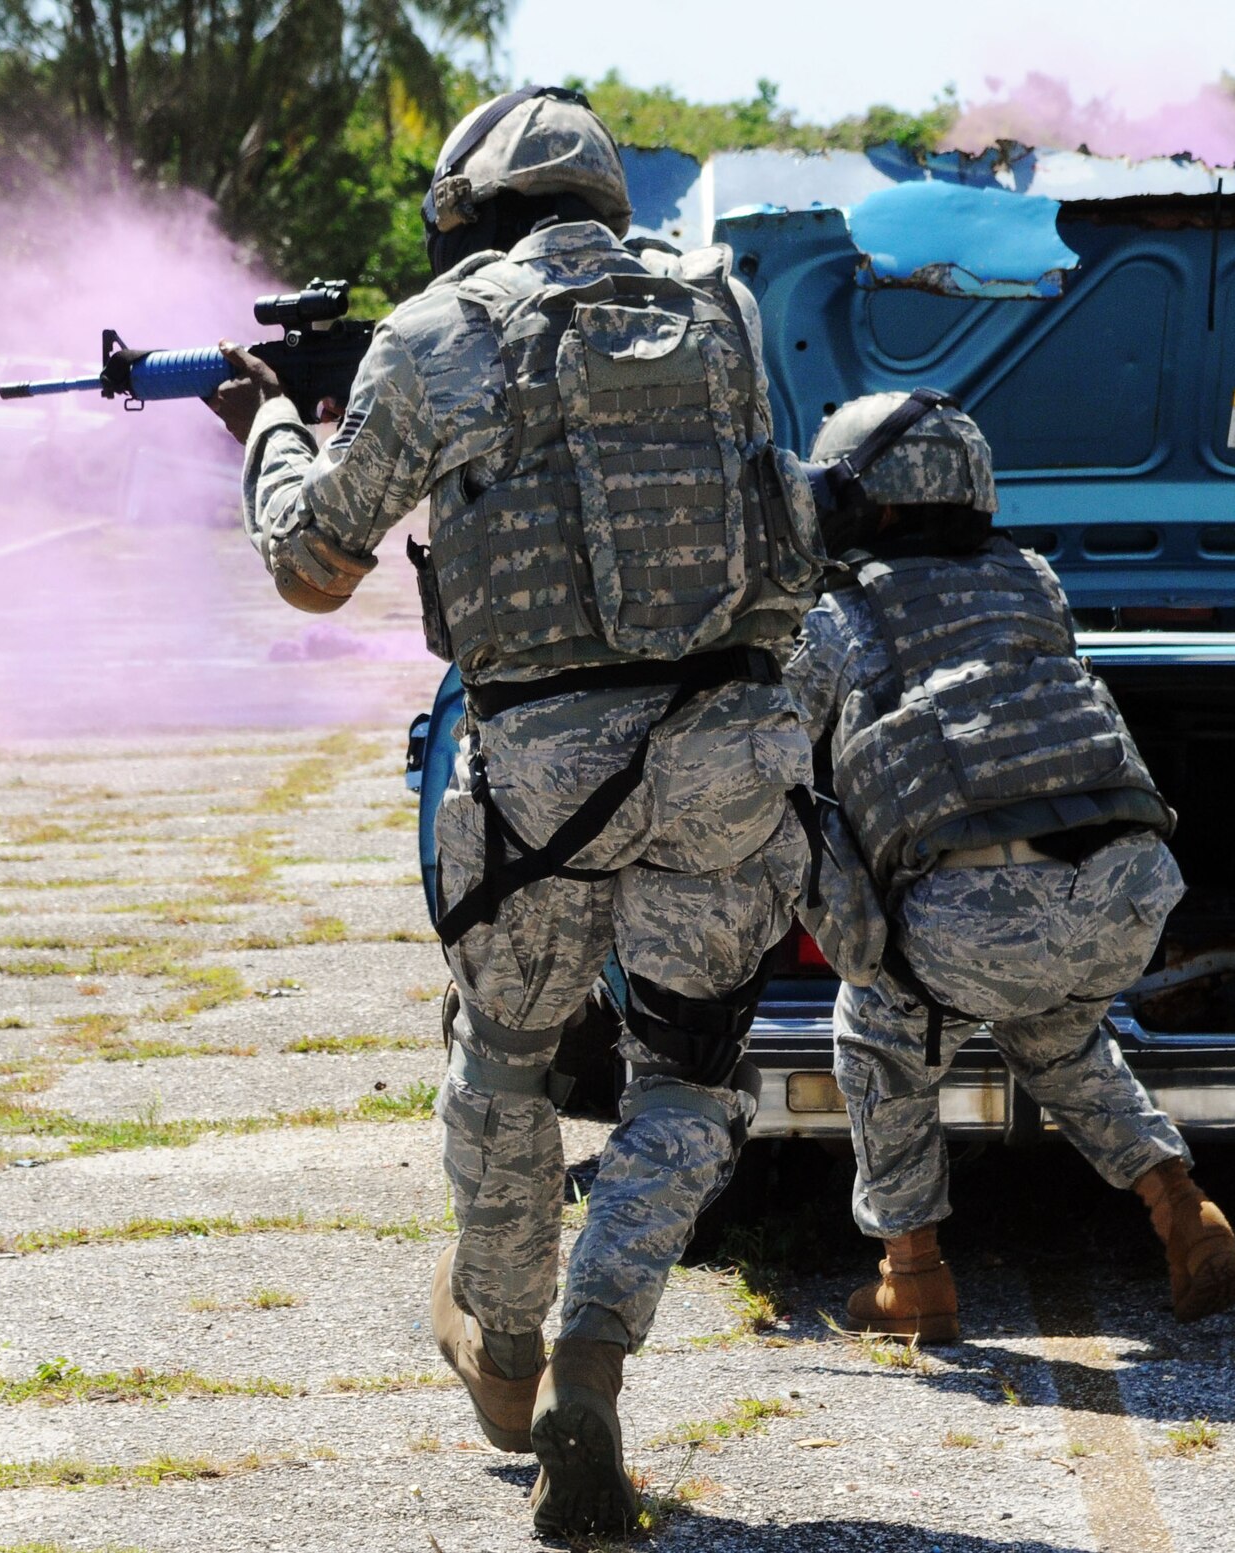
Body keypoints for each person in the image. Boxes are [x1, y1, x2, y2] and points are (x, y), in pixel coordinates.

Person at [210, 87, 830, 1538]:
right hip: (730, 743)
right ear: (609, 204)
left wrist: (271, 433)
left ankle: (504, 1348)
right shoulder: (719, 306)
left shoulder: (435, 337)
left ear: (464, 214)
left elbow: (314, 565)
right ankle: (596, 1367)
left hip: (546, 767)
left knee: (508, 1063)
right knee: (684, 1081)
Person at [785, 391, 1235, 1344]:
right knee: (1060, 1038)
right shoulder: (1034, 580)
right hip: (1128, 888)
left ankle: (911, 1276)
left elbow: (770, 742)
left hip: (979, 915)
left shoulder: (841, 612)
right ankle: (1183, 1208)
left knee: (881, 1033)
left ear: (857, 501)